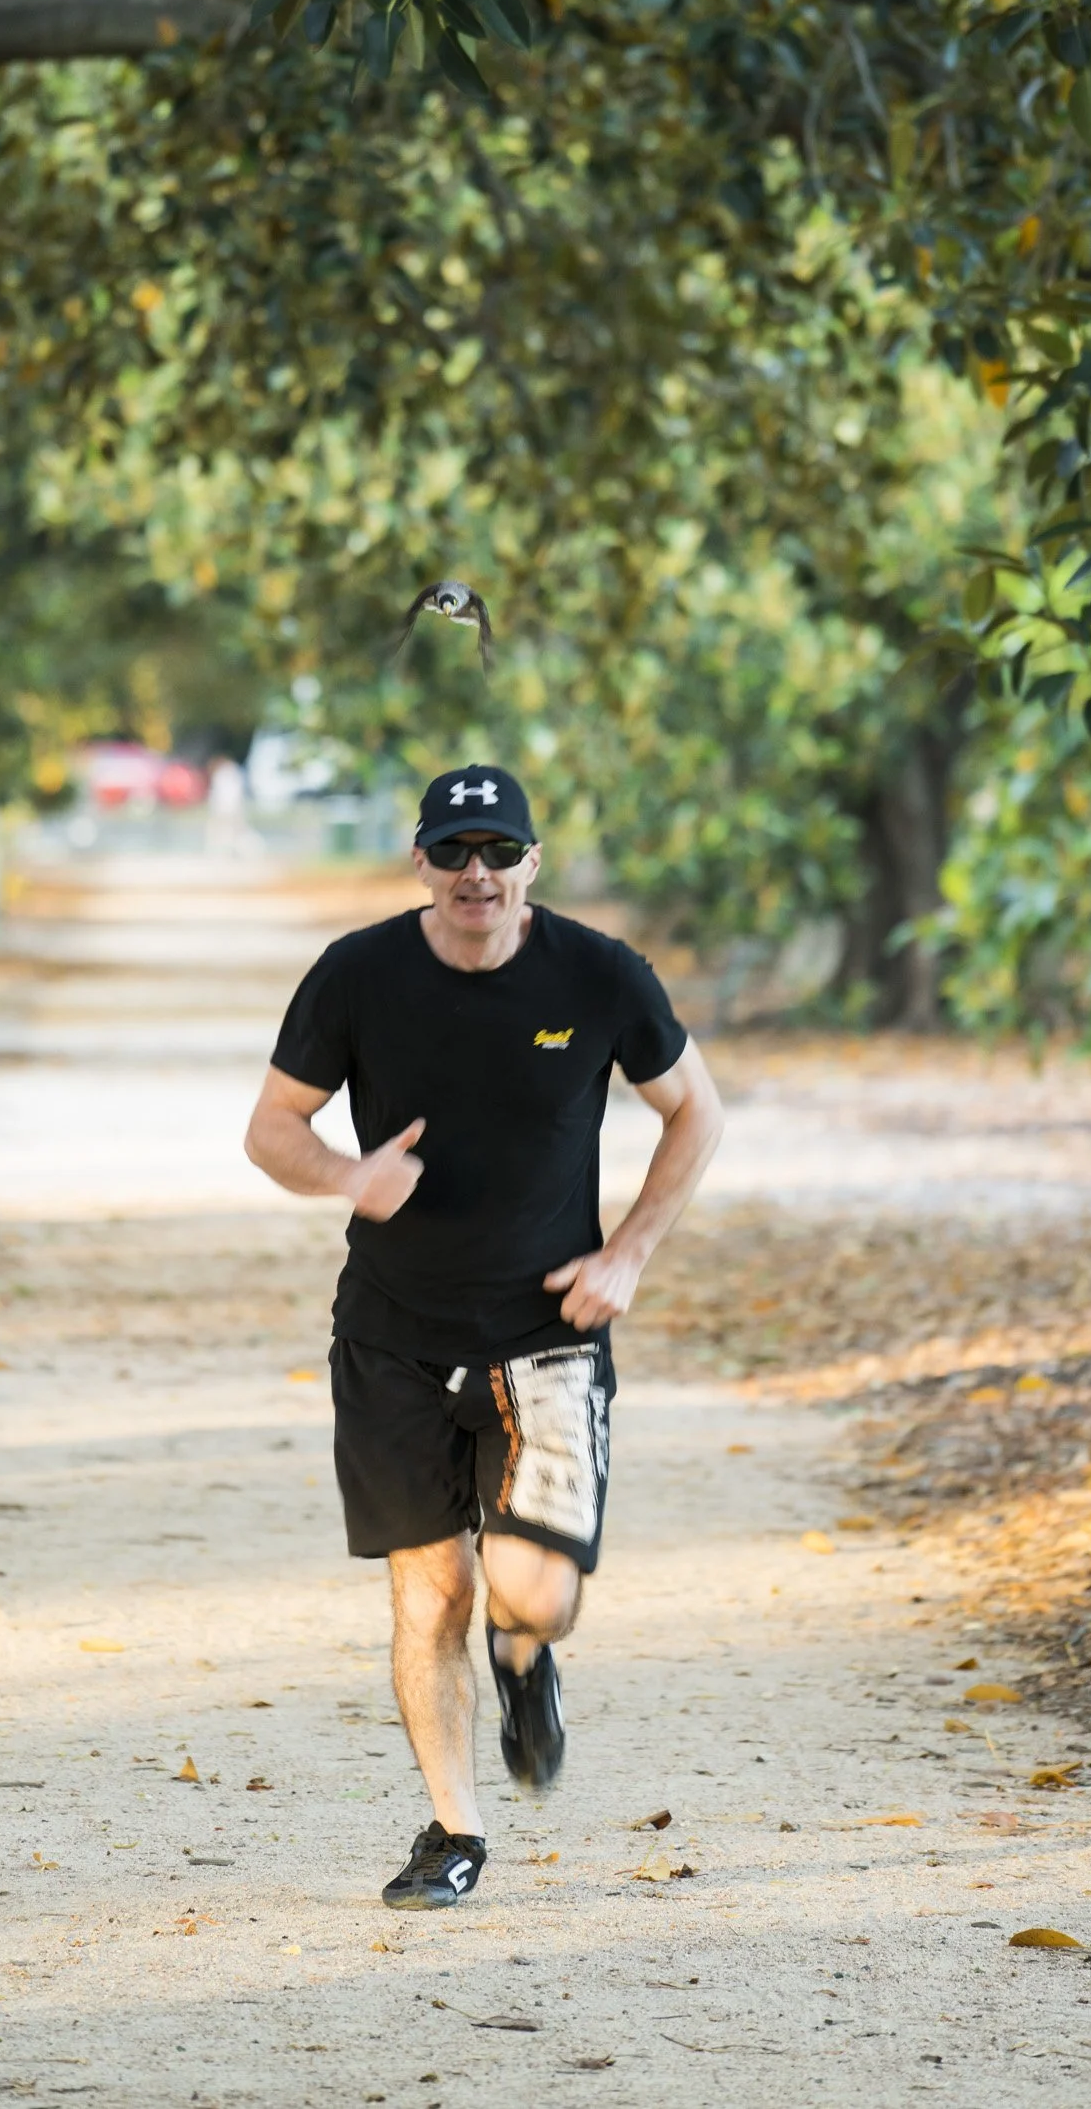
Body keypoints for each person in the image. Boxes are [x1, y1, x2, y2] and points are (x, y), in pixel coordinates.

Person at [243, 764, 724, 1909]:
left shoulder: (601, 976)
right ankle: (453, 1830)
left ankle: (527, 1659)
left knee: (532, 1596)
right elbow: (271, 1129)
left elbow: (697, 1109)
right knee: (430, 1594)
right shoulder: (357, 975)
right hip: (393, 1334)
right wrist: (346, 1175)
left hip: (545, 1332)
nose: (477, 874)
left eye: (498, 852)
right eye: (455, 851)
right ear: (420, 859)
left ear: (531, 864)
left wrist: (629, 1253)